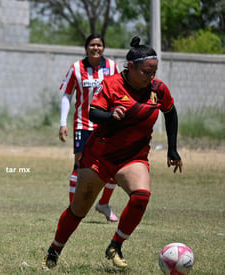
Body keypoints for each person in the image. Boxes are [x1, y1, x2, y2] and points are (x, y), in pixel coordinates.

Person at [42, 36, 183, 270]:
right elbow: (93, 113)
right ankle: (54, 251)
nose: (152, 76)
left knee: (141, 196)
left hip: (133, 157)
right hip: (100, 155)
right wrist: (111, 115)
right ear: (133, 67)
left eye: (154, 71)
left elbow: (171, 112)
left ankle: (115, 245)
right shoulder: (112, 84)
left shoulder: (158, 89)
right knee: (78, 210)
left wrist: (173, 148)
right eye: (147, 71)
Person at [59, 33, 119, 222]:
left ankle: (103, 204)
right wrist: (63, 122)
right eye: (92, 45)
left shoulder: (112, 67)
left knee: (113, 167)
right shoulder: (77, 68)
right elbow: (67, 95)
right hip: (82, 125)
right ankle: (74, 209)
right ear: (87, 47)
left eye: (99, 45)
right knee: (79, 166)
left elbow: (120, 92)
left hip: (106, 124)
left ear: (103, 48)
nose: (96, 48)